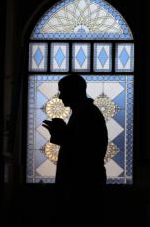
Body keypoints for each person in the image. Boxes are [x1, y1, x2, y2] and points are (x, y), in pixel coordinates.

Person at [42, 74, 108, 224]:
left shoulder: (88, 114)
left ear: (75, 91)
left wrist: (61, 135)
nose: (60, 96)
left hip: (83, 186)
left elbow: (86, 152)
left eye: (63, 91)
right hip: (81, 183)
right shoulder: (82, 112)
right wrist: (62, 133)